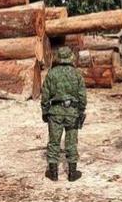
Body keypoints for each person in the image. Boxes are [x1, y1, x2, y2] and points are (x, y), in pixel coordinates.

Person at [41, 46, 87, 182]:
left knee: (54, 142)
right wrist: (81, 111)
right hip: (72, 112)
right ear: (70, 57)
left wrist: (44, 111)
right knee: (71, 143)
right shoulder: (77, 73)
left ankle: (53, 173)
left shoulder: (51, 73)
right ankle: (72, 174)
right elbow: (82, 96)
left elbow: (45, 95)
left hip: (55, 113)